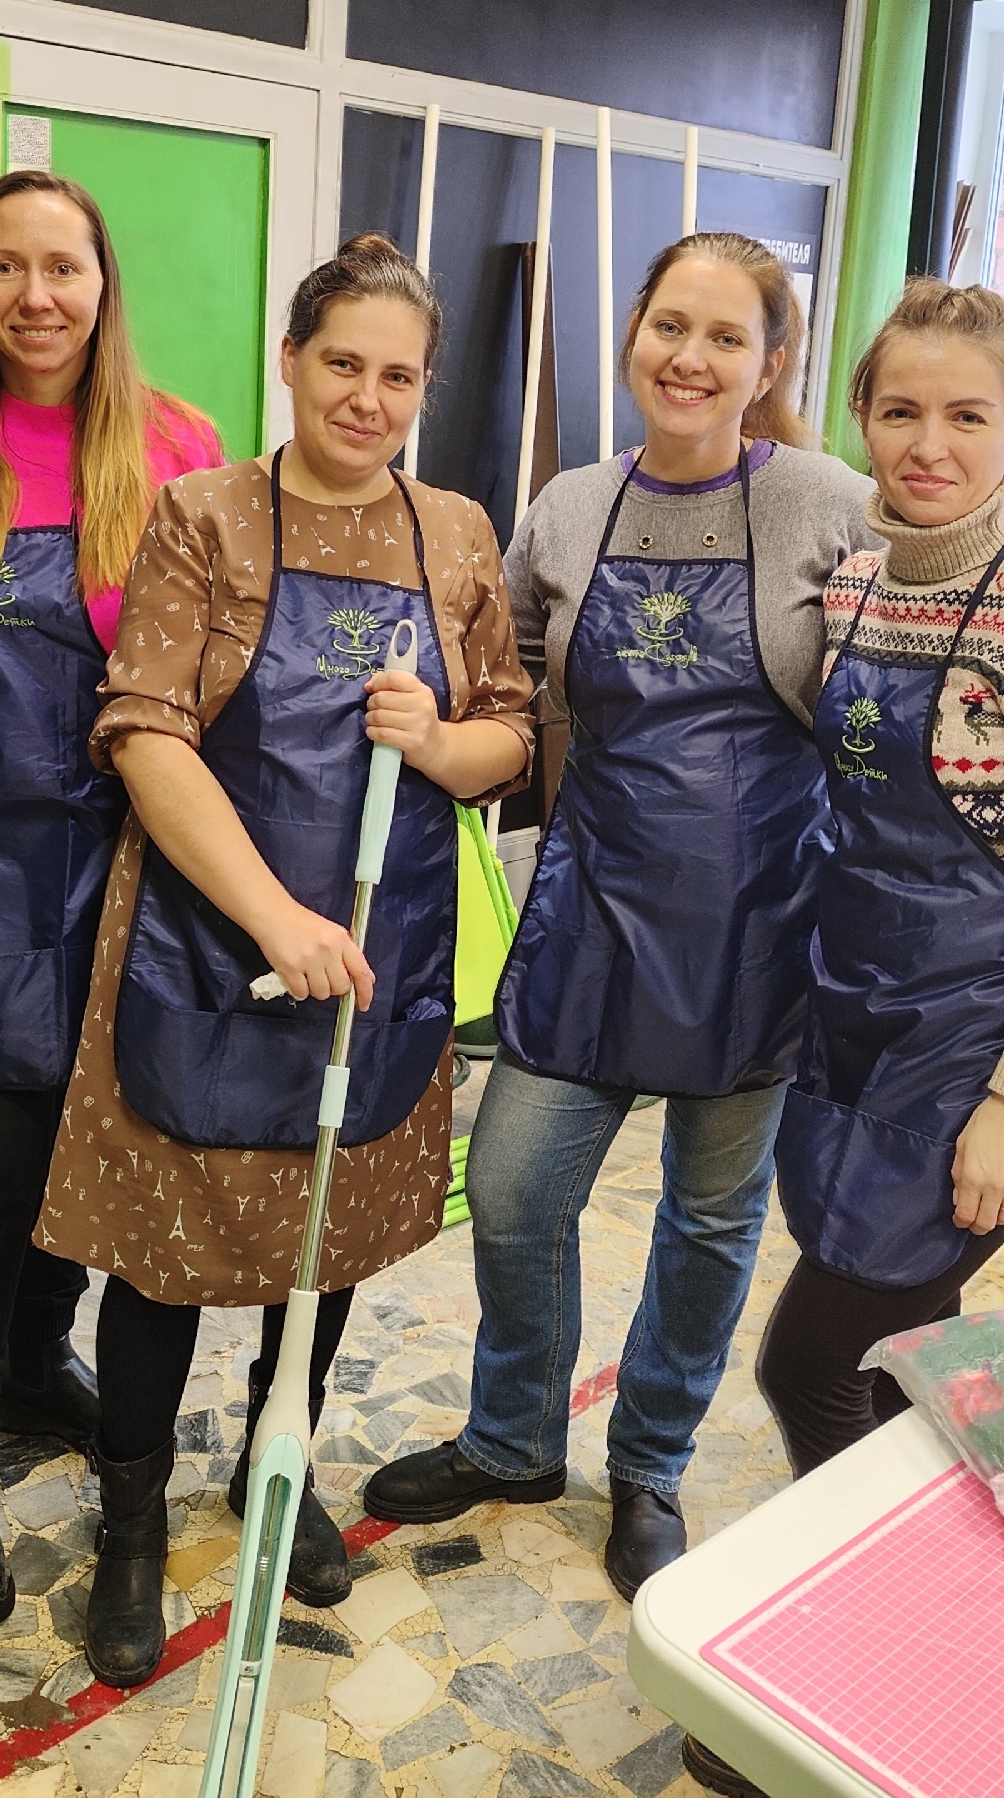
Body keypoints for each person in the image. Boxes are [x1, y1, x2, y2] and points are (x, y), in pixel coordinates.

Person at [35, 232, 535, 1686]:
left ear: (424, 387)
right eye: (341, 364)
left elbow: (511, 729)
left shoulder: (457, 533)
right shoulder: (204, 516)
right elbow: (144, 732)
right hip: (210, 945)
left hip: (380, 959)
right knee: (168, 1258)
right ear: (290, 360)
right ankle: (134, 1520)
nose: (367, 400)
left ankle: (281, 1463)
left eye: (399, 376)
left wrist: (436, 742)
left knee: (323, 1241)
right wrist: (275, 920)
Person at [365, 231, 878, 1620]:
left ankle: (648, 1463)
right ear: (633, 334)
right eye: (669, 326)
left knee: (709, 1224)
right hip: (593, 905)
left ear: (770, 363)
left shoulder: (830, 506)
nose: (689, 358)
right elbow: (516, 682)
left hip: (759, 929)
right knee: (515, 1189)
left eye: (725, 337)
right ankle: (514, 1436)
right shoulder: (571, 505)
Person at [0, 171, 221, 1636]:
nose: (36, 296)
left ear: (101, 281)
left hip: (132, 846)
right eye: (5, 268)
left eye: (61, 266)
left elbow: (198, 649)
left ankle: (30, 1359)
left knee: (96, 1133)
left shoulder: (178, 444)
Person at [760, 280, 1004, 1472]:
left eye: (969, 415)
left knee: (809, 1367)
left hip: (970, 1041)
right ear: (860, 415)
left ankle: (866, 1583)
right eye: (901, 410)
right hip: (858, 1011)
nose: (928, 445)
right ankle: (937, 1567)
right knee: (904, 1352)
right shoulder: (856, 583)